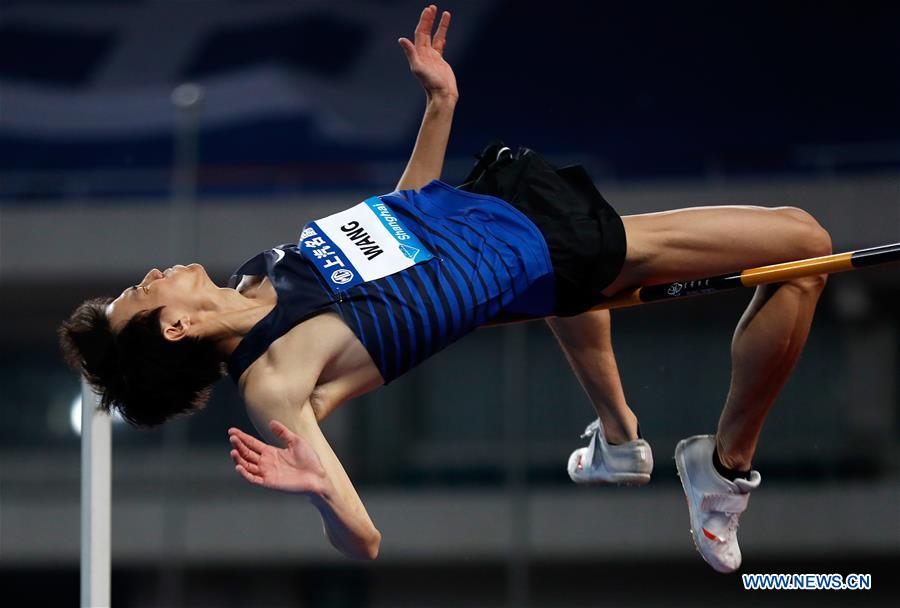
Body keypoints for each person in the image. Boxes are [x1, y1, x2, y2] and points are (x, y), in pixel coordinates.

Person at [59, 6, 831, 569]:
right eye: (144, 291)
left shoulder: (261, 271)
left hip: (501, 198)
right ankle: (723, 471)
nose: (155, 275)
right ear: (174, 330)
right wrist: (320, 490)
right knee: (805, 246)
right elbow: (364, 540)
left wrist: (440, 105)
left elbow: (399, 216)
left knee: (792, 250)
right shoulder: (274, 381)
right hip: (544, 251)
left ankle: (623, 441)